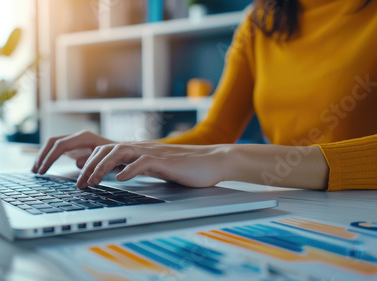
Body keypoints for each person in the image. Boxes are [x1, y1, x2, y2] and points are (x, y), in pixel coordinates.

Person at [33, 0, 377, 191]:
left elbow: (221, 147)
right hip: (293, 203)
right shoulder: (262, 19)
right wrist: (127, 153)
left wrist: (231, 159)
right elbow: (215, 133)